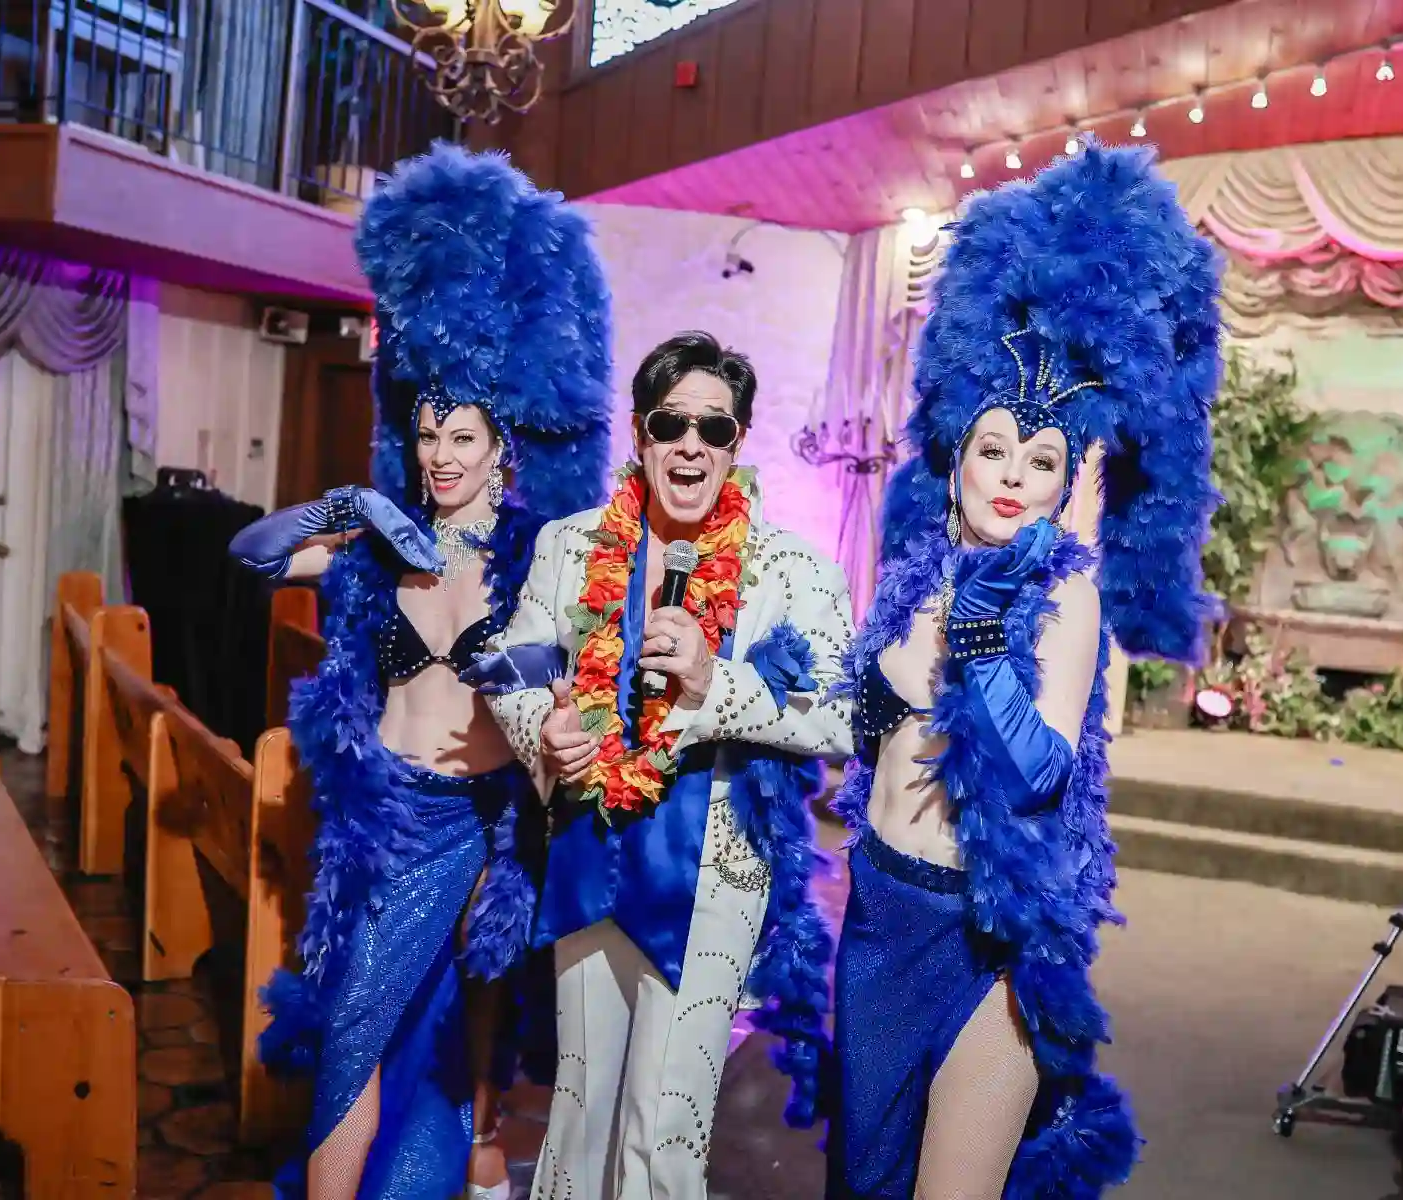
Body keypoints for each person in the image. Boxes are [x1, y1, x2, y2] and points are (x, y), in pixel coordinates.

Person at [825, 141, 1223, 1199]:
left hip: (986, 934)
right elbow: (858, 730)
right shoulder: (910, 574)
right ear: (956, 453)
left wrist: (978, 638)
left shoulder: (1064, 595)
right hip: (877, 913)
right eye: (995, 449)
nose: (1012, 476)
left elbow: (1041, 769)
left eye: (1040, 461)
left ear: (1064, 483)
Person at [227, 143, 615, 1200]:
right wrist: (348, 508)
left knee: (427, 1031)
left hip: (474, 823)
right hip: (380, 819)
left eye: (463, 437)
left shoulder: (538, 563)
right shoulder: (383, 546)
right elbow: (255, 556)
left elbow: (563, 677)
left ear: (501, 449)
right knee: (359, 1036)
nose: (441, 453)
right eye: (429, 433)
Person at [473, 330, 855, 1200]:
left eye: (713, 428)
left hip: (714, 875)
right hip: (589, 853)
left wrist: (716, 685)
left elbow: (841, 715)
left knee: (666, 1129)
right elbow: (514, 665)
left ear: (737, 443)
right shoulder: (572, 545)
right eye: (670, 423)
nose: (691, 445)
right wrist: (544, 731)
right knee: (577, 1112)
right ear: (640, 433)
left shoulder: (791, 571)